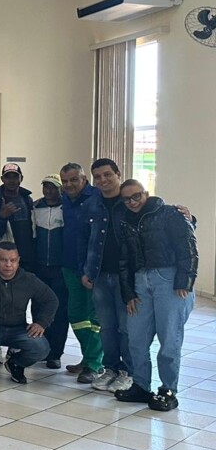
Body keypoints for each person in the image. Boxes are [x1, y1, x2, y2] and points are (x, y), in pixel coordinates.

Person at [114, 179, 198, 411]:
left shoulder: (169, 214)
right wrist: (128, 293)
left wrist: (185, 281)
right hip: (140, 282)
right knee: (136, 337)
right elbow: (124, 260)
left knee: (169, 338)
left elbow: (188, 246)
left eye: (137, 196)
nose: (132, 202)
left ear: (146, 193)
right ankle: (141, 385)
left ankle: (168, 390)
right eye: (127, 199)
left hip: (169, 281)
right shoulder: (125, 221)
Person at [0, 243, 57, 384]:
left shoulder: (28, 279)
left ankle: (16, 364)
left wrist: (41, 322)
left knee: (42, 348)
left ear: (18, 261)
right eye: (3, 260)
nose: (8, 265)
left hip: (18, 328)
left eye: (13, 260)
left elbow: (51, 299)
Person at [80, 158, 134, 393]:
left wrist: (188, 217)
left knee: (126, 327)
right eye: (98, 177)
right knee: (107, 327)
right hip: (100, 276)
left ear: (118, 174)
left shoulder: (131, 201)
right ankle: (110, 368)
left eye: (107, 175)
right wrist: (85, 270)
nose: (103, 180)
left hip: (127, 278)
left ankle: (128, 372)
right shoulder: (91, 205)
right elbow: (84, 241)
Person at [59, 162, 102, 383]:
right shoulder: (64, 200)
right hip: (69, 265)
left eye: (74, 179)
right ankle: (88, 357)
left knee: (95, 318)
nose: (69, 185)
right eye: (65, 181)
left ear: (84, 179)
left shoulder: (97, 198)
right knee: (76, 315)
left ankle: (95, 364)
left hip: (93, 268)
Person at [31, 174, 70, 370]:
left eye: (53, 187)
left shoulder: (67, 207)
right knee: (38, 309)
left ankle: (55, 353)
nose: (49, 190)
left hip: (60, 268)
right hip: (40, 268)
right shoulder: (36, 208)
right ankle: (41, 349)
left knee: (59, 311)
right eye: (46, 186)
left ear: (60, 189)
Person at [0, 163, 34, 263]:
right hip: (4, 258)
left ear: (21, 178)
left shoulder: (27, 199)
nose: (11, 181)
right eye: (8, 177)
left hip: (26, 256)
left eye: (15, 177)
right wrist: (1, 216)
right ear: (2, 179)